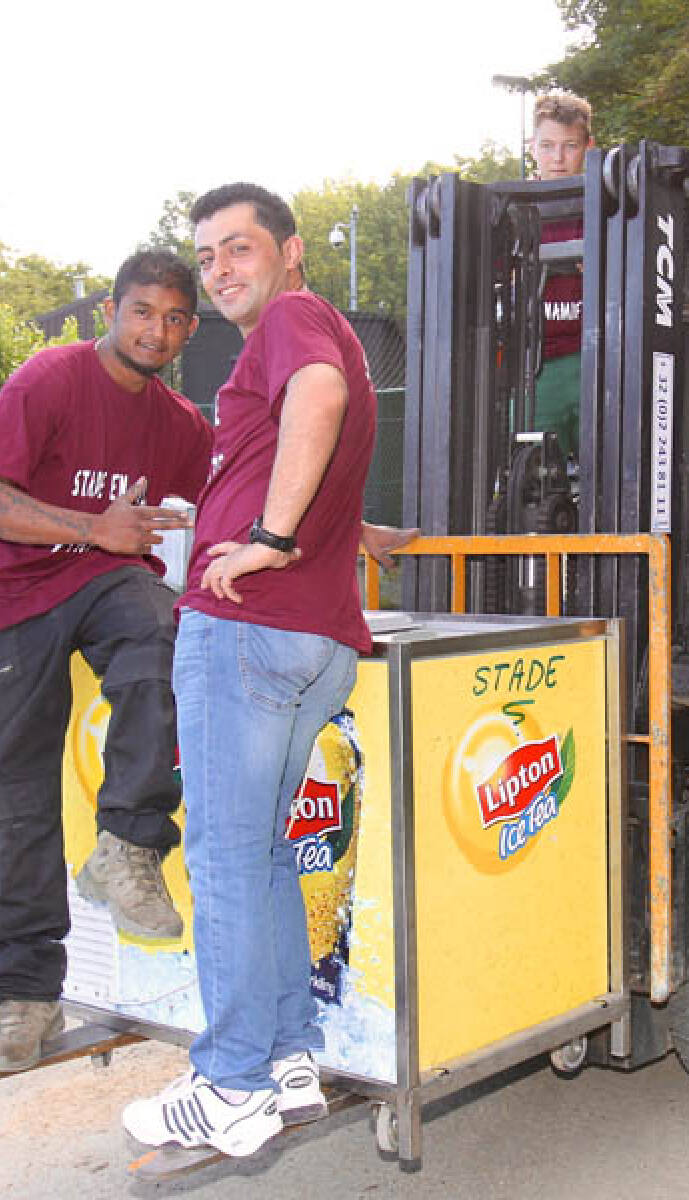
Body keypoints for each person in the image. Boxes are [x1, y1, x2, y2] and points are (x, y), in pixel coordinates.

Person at [123, 184, 415, 1157]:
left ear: (290, 252)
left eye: (237, 248)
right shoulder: (323, 330)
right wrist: (326, 531)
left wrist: (270, 537)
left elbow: (318, 402)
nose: (218, 271)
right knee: (265, 854)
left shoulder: (293, 322)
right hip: (315, 638)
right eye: (206, 256)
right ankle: (288, 1055)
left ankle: (232, 1081)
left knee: (223, 856)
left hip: (249, 626)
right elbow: (321, 426)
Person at [0, 251, 211, 1073]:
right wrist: (93, 527)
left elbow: (240, 490)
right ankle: (26, 994)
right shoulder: (48, 380)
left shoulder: (179, 422)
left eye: (174, 318)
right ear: (112, 313)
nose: (156, 330)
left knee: (159, 627)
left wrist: (345, 526)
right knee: (18, 799)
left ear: (189, 331)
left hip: (108, 580)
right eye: (142, 312)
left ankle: (128, 843)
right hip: (17, 593)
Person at [530, 89, 595, 459]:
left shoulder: (605, 208)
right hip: (537, 366)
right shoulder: (512, 211)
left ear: (588, 147)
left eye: (570, 146)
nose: (557, 158)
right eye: (548, 146)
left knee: (611, 468)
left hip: (595, 359)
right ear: (532, 147)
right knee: (531, 471)